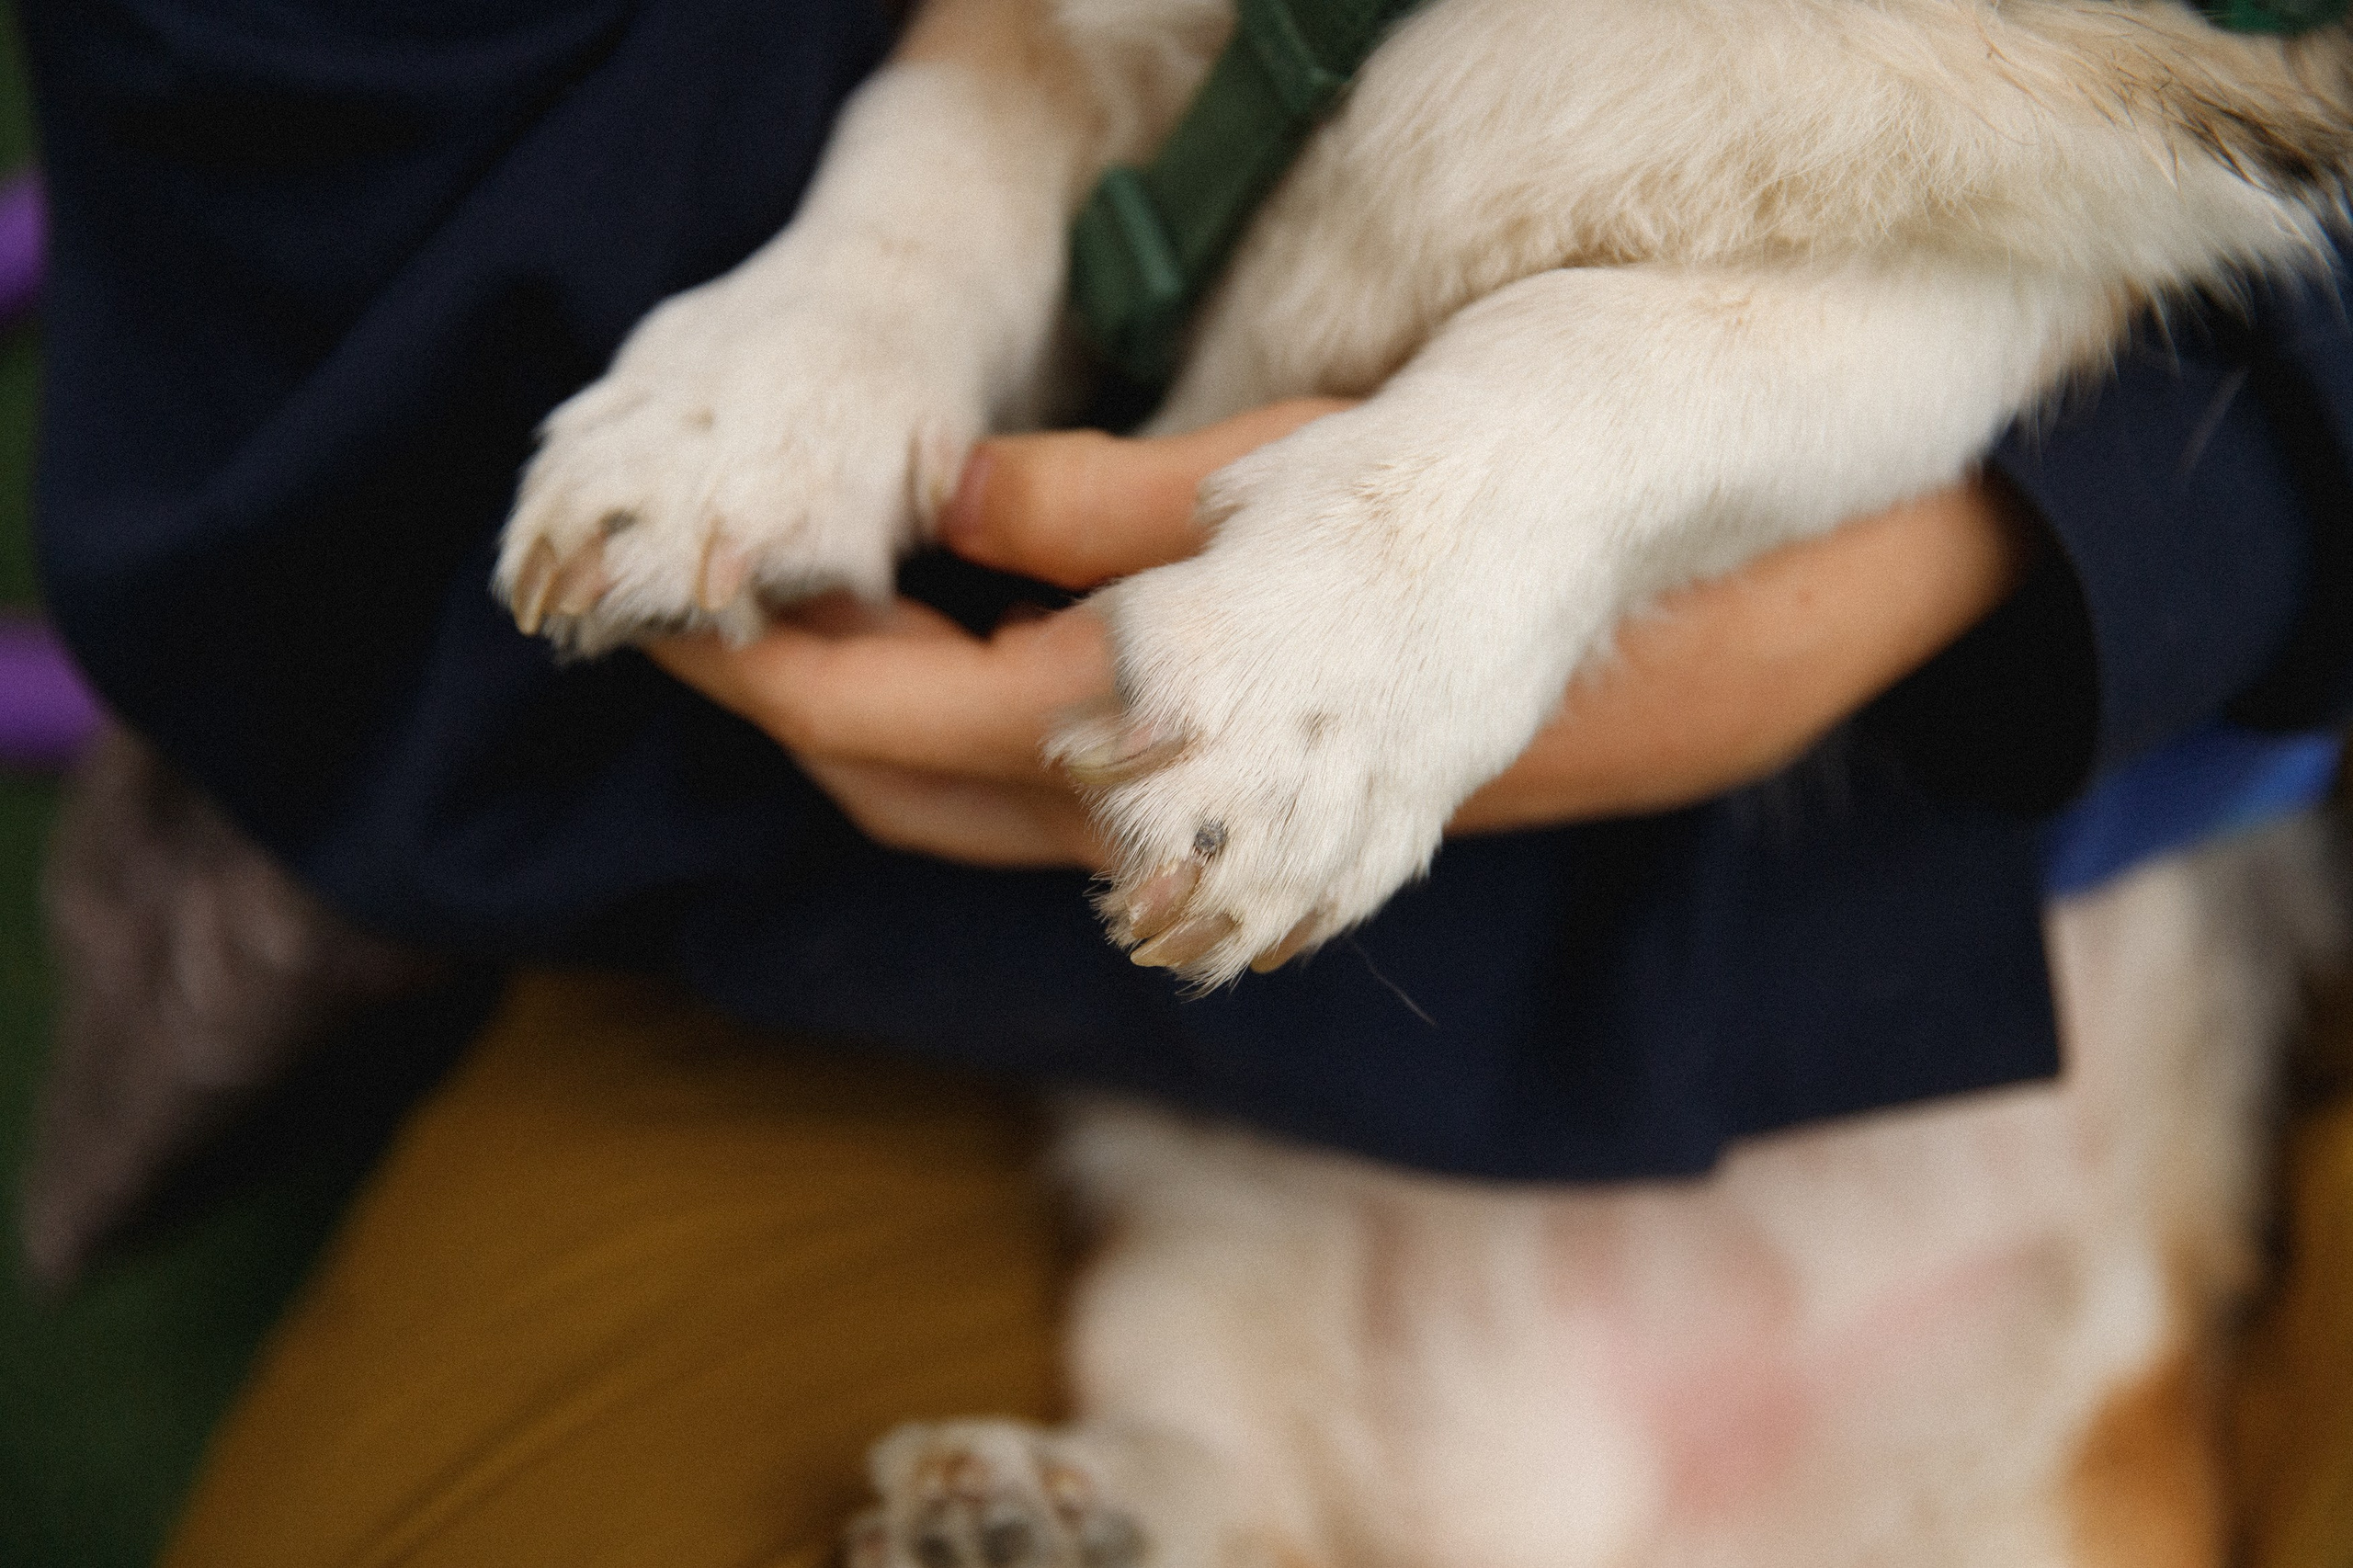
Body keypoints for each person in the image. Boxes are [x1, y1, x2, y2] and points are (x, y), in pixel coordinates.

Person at [14, 0, 2352, 1562]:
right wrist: (874, 295)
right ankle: (1198, 1480)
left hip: (2099, 929)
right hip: (975, 962)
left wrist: (2090, 535)